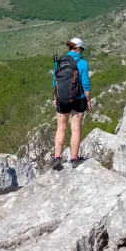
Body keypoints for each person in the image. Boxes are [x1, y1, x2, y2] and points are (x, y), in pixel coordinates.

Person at [52, 38, 91, 169]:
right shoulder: (83, 62)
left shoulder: (60, 61)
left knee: (61, 127)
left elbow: (55, 81)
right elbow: (85, 83)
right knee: (75, 129)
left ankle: (57, 158)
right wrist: (88, 100)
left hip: (62, 99)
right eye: (82, 49)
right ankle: (74, 159)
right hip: (78, 98)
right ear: (78, 48)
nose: (82, 52)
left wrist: (55, 97)